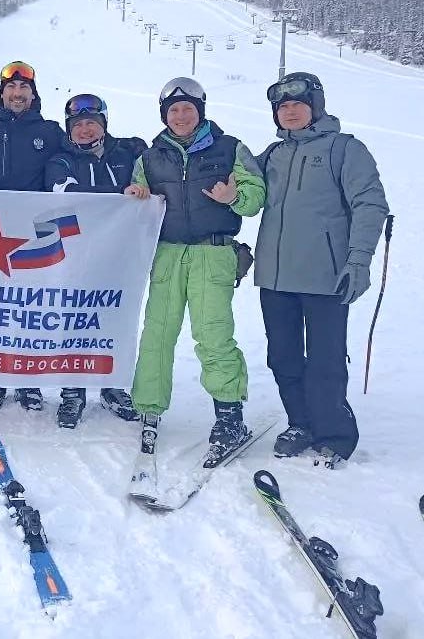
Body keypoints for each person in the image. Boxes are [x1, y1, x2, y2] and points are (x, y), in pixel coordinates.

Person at [124, 77, 265, 461]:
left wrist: (234, 196)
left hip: (212, 253)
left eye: (188, 109)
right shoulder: (151, 156)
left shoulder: (229, 148)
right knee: (158, 332)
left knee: (213, 334)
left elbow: (255, 198)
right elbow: (137, 193)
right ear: (165, 115)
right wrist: (136, 195)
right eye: (174, 110)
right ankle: (149, 407)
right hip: (168, 253)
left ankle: (230, 416)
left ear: (200, 111)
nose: (181, 116)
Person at [254, 72, 389, 468]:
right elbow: (241, 192)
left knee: (325, 359)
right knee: (283, 356)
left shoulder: (344, 149)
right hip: (275, 277)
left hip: (325, 275)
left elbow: (370, 204)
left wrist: (358, 260)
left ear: (316, 106)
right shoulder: (272, 155)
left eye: (297, 104)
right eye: (282, 106)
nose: (290, 111)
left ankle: (334, 432)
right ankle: (300, 423)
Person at [44, 93, 148, 428]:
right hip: (76, 256)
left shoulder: (126, 155)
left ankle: (113, 385)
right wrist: (120, 194)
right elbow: (65, 191)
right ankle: (72, 392)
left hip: (119, 254)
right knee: (75, 323)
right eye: (78, 124)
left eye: (92, 123)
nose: (85, 130)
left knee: (115, 321)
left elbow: (155, 176)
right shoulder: (61, 160)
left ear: (103, 124)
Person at [0, 60, 66, 413]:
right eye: (11, 88)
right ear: (2, 92)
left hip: (34, 234)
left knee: (28, 309)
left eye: (24, 88)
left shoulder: (52, 132)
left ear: (33, 93)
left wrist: (127, 149)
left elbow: (80, 157)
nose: (17, 93)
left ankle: (29, 381)